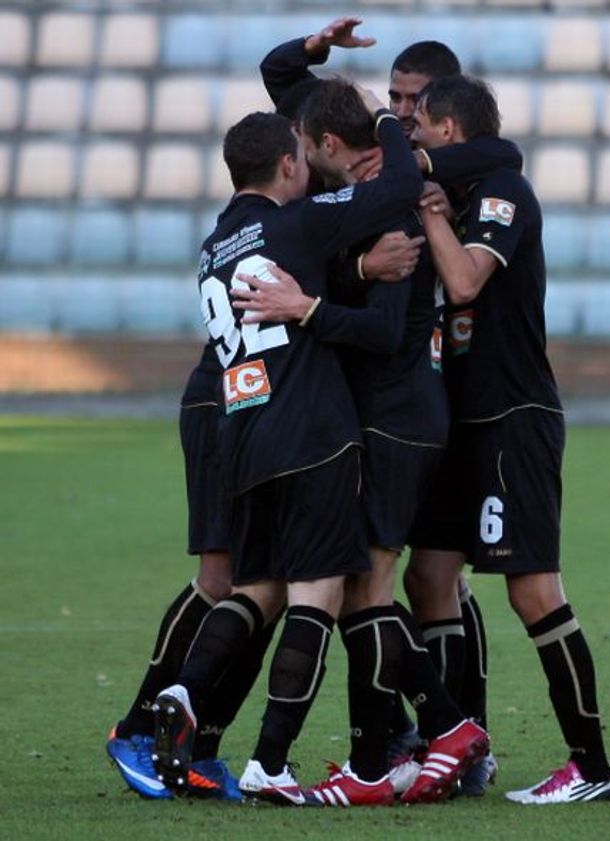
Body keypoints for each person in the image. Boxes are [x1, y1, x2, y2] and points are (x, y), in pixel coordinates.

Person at [260, 19, 515, 795]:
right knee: (381, 583)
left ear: (440, 110)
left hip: (406, 408)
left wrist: (310, 303)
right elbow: (281, 79)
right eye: (391, 100)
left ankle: (430, 737)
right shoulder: (369, 177)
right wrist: (317, 50)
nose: (398, 113)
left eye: (411, 103)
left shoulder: (415, 183)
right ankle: (401, 743)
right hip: (379, 411)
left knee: (384, 583)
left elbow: (502, 154)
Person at [150, 101, 428, 806]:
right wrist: (388, 123)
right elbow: (396, 188)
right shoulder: (296, 221)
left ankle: (184, 690)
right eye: (302, 158)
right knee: (318, 592)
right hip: (311, 433)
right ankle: (270, 761)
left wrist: (353, 265)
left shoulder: (216, 243)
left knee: (258, 589)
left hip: (242, 434)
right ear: (286, 165)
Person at [413, 75, 610, 804]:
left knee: (532, 592)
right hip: (457, 423)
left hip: (512, 415)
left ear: (448, 129)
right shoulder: (464, 193)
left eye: (422, 129)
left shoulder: (502, 192)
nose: (415, 141)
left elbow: (466, 281)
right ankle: (460, 745)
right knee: (428, 577)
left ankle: (591, 766)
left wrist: (435, 215)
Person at [105, 350, 277, 802]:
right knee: (221, 579)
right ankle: (137, 729)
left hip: (268, 405)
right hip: (228, 397)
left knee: (266, 589)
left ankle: (199, 749)